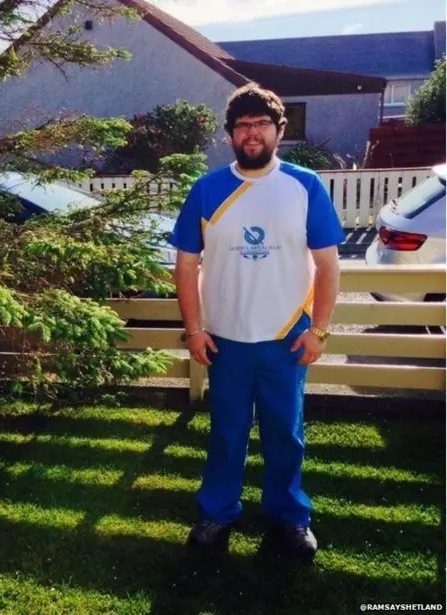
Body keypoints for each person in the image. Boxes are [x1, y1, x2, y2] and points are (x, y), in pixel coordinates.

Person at [168, 83, 344, 560]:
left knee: (285, 434)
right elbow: (185, 265)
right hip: (224, 337)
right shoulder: (206, 189)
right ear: (230, 135)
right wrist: (195, 329)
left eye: (260, 123)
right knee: (226, 433)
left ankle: (289, 516)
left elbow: (328, 266)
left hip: (286, 338)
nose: (251, 132)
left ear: (277, 131)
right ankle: (216, 512)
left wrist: (319, 330)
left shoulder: (305, 185)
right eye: (242, 125)